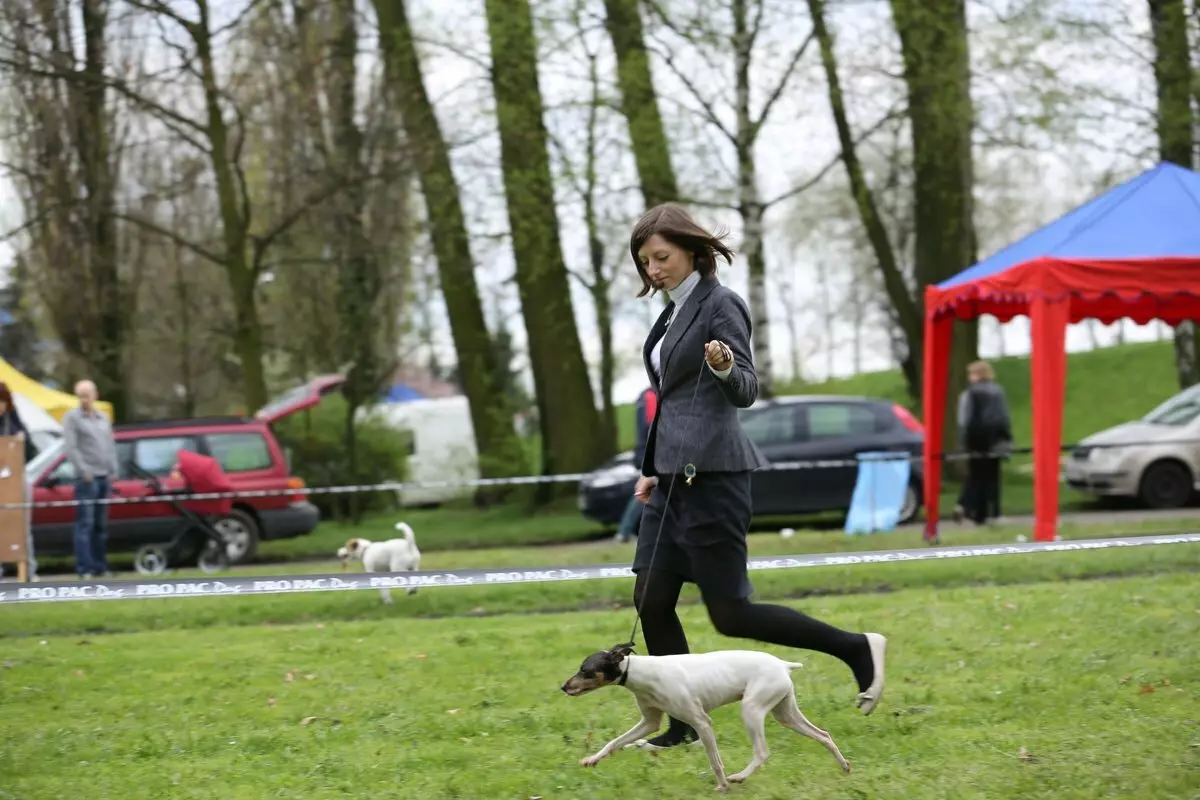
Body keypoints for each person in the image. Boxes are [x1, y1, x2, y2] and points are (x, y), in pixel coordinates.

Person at [626, 203, 887, 751]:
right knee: (651, 598)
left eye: (662, 257)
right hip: (671, 482)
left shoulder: (721, 304)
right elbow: (670, 403)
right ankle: (682, 722)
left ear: (693, 251)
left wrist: (722, 364)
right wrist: (652, 469)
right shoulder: (671, 312)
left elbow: (745, 389)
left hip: (714, 478)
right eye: (645, 261)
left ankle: (857, 647)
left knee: (731, 614)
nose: (653, 269)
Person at [62, 379, 119, 579]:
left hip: (104, 475)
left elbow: (110, 445)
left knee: (100, 524)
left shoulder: (103, 417)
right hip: (87, 477)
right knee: (85, 523)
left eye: (88, 395)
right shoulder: (72, 419)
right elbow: (71, 447)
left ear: (95, 394)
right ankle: (84, 567)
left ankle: (100, 566)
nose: (85, 399)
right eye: (81, 396)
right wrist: (83, 470)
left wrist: (113, 470)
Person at [954, 360, 1012, 525]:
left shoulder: (969, 394)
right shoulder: (999, 391)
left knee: (975, 475)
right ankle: (993, 512)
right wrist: (1006, 439)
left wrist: (963, 441)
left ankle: (971, 509)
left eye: (971, 374)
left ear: (977, 375)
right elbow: (1004, 417)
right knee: (993, 477)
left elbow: (964, 419)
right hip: (996, 440)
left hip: (976, 439)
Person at [0, 382, 37, 578]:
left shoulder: (14, 421)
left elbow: (32, 452)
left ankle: (28, 571)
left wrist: (24, 441)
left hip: (16, 480)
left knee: (22, 528)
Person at [614, 386, 657, 543]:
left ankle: (626, 531)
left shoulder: (645, 396)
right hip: (652, 451)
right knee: (645, 492)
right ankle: (624, 531)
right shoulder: (651, 395)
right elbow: (653, 425)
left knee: (648, 492)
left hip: (645, 450)